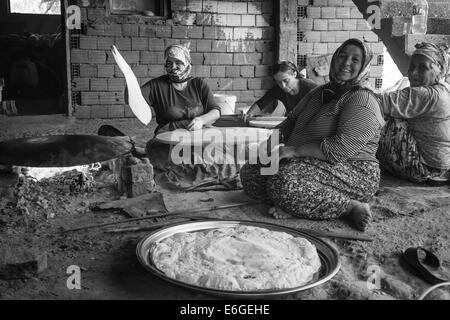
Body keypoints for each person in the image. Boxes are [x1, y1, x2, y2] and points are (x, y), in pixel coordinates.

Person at [240, 38, 385, 231]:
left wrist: (294, 151)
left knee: (285, 181)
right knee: (252, 174)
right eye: (342, 56)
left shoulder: (362, 99)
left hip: (353, 169)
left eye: (355, 59)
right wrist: (270, 144)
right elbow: (289, 122)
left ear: (364, 66)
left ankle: (350, 206)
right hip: (309, 161)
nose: (346, 62)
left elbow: (339, 149)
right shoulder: (320, 91)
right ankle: (298, 201)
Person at [101, 44, 239, 190]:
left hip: (200, 133)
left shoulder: (199, 84)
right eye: (169, 63)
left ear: (187, 63)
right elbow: (134, 98)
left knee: (223, 162)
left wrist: (201, 120)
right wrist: (128, 77)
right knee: (177, 164)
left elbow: (215, 111)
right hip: (168, 137)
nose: (173, 67)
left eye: (178, 63)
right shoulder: (156, 85)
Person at [376, 42, 450, 184]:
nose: (413, 73)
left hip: (424, 168)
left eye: (423, 68)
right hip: (441, 167)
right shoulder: (445, 89)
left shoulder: (427, 94)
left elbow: (378, 101)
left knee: (383, 115)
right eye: (411, 68)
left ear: (439, 69)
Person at [244, 61, 317, 120]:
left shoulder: (309, 87)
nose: (283, 86)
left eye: (286, 80)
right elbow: (261, 103)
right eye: (279, 82)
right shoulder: (278, 90)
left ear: (294, 74)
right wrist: (248, 115)